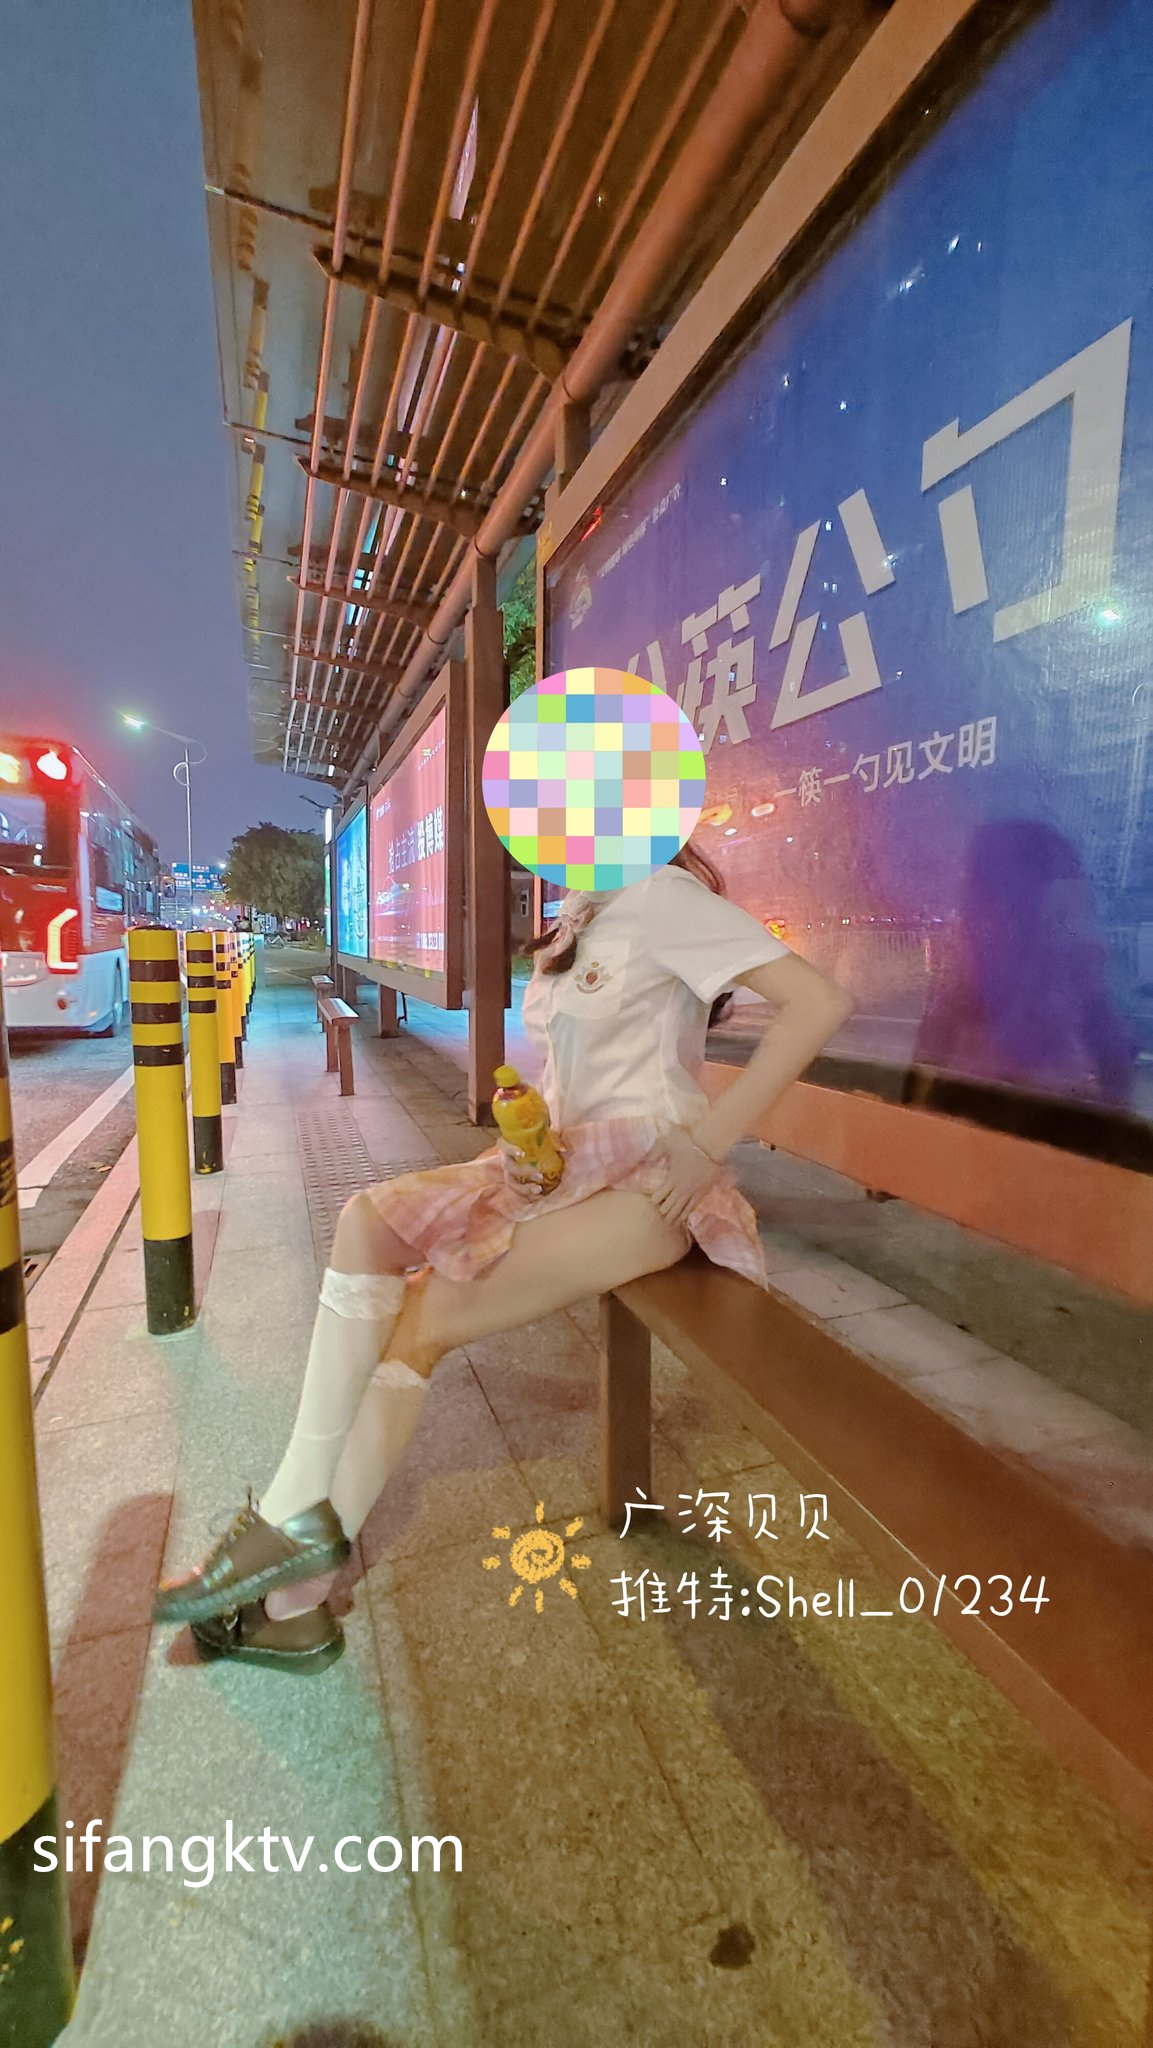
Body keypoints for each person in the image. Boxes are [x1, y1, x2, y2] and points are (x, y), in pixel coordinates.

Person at [153, 842, 852, 1671]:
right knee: (364, 1223)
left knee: (421, 1317)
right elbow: (571, 1081)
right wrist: (531, 1150)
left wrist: (708, 1144)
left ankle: (295, 1576)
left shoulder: (662, 897)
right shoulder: (582, 910)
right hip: (571, 1167)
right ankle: (294, 1535)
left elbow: (817, 1003)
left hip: (651, 1185)